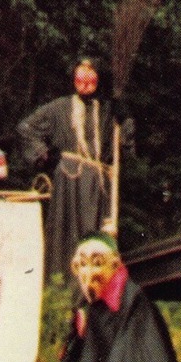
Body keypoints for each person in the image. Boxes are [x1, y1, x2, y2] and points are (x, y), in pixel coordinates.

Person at [60, 232, 180, 362]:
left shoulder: (133, 302)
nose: (88, 273)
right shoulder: (91, 307)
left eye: (97, 264)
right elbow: (79, 358)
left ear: (114, 265)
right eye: (82, 265)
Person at [17, 58, 133, 276]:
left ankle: (97, 286)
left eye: (91, 79)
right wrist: (46, 155)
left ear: (98, 80)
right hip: (70, 180)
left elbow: (124, 145)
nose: (85, 83)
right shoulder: (59, 108)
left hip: (99, 184)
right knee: (68, 237)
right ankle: (64, 285)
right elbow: (26, 128)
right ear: (74, 79)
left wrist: (124, 118)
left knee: (98, 238)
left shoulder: (107, 110)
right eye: (80, 78)